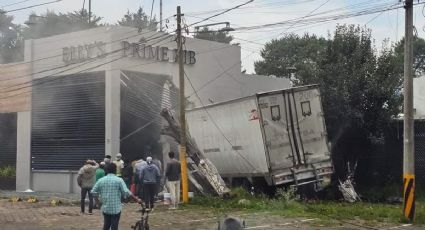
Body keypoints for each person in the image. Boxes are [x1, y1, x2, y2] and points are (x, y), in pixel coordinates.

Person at [91, 163, 141, 230]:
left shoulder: (101, 180)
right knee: (114, 226)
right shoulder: (119, 180)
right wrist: (137, 199)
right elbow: (126, 192)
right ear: (115, 170)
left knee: (106, 224)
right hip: (116, 208)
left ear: (106, 170)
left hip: (105, 207)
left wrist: (98, 202)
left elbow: (93, 192)